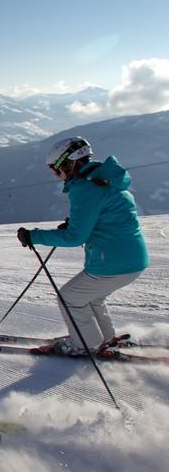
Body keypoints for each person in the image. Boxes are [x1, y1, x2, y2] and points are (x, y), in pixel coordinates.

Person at [17, 137, 150, 355]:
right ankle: (105, 339)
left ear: (67, 162)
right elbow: (106, 215)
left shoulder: (85, 187)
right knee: (92, 297)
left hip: (111, 262)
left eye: (54, 169)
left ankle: (84, 345)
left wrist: (33, 236)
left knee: (69, 298)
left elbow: (74, 238)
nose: (55, 175)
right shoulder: (103, 178)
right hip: (134, 259)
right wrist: (78, 223)